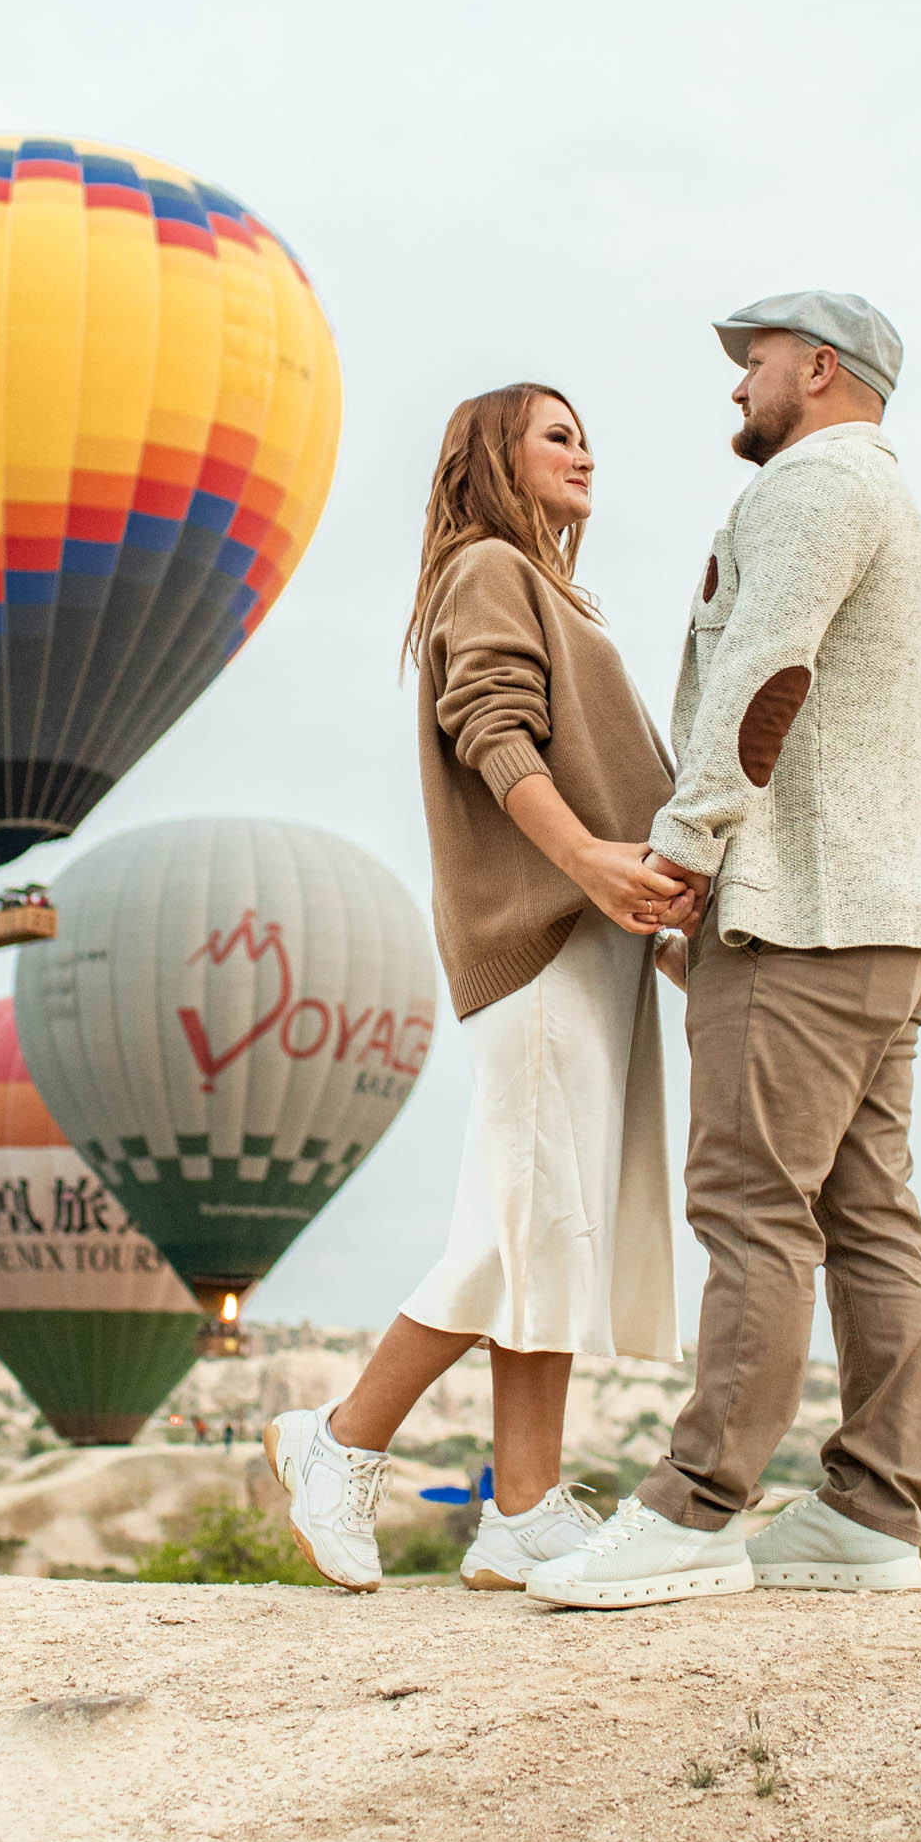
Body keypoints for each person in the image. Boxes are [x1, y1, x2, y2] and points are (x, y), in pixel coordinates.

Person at [528, 291, 921, 1611]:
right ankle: (871, 1516)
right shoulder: (886, 497)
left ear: (818, 370)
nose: (736, 387)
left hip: (800, 913)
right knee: (868, 1220)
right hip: (886, 921)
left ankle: (693, 1508)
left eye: (754, 363)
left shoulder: (811, 487)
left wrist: (683, 856)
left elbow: (764, 676)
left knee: (750, 1207)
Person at [266, 384, 686, 1594]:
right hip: (539, 936)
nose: (584, 452)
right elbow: (491, 731)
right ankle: (338, 1439)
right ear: (493, 457)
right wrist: (589, 861)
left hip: (595, 946)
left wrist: (645, 907)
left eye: (586, 433)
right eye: (556, 434)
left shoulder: (555, 591)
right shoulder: (488, 568)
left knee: (551, 1230)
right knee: (518, 1228)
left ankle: (524, 1508)